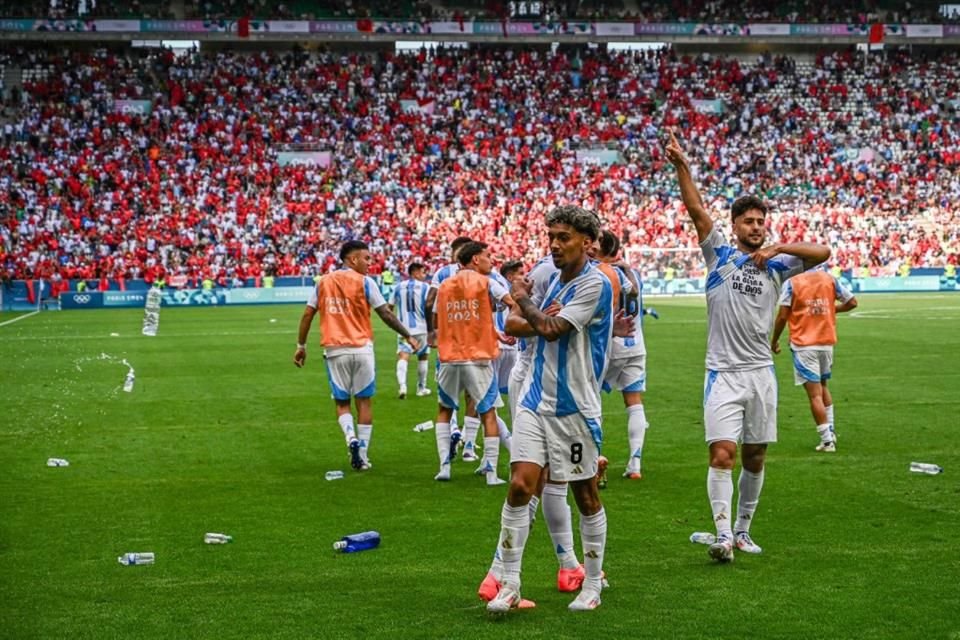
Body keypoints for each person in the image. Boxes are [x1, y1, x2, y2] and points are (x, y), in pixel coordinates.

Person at [665, 130, 830, 563]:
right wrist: (682, 165)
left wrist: (779, 245)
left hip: (761, 373)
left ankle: (742, 531)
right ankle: (721, 536)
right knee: (723, 453)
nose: (755, 228)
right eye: (749, 222)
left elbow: (823, 251)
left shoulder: (778, 263)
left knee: (755, 457)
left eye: (761, 222)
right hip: (722, 372)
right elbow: (696, 209)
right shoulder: (719, 253)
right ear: (735, 226)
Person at [485, 205, 614, 613]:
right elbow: (521, 326)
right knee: (521, 485)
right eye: (552, 237)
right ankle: (509, 583)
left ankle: (591, 584)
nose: (555, 245)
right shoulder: (554, 282)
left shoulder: (596, 285)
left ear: (588, 243)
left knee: (585, 494)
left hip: (576, 407)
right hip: (535, 400)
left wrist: (526, 302)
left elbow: (552, 329)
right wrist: (536, 314)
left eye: (564, 238)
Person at [294, 240, 420, 471]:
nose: (370, 264)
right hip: (362, 349)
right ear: (352, 259)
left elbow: (307, 314)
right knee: (364, 401)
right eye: (366, 258)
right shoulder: (365, 282)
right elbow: (385, 314)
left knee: (342, 402)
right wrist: (408, 335)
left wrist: (301, 345)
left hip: (334, 350)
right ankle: (362, 455)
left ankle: (350, 436)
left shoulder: (323, 282)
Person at [431, 241, 513, 485]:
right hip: (477, 357)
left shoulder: (445, 285)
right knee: (487, 411)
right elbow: (510, 302)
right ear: (475, 259)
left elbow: (437, 315)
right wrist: (509, 328)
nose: (491, 260)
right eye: (487, 256)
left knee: (445, 410)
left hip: (449, 356)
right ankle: (491, 473)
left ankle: (444, 467)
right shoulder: (487, 282)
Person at [770, 268, 858, 452]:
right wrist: (831, 310)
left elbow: (783, 315)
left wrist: (774, 339)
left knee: (814, 394)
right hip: (826, 342)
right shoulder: (829, 279)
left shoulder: (793, 281)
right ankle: (831, 431)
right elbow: (852, 302)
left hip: (804, 344)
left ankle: (827, 440)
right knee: (823, 387)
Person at [595, 230, 650, 480]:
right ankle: (635, 463)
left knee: (590, 398)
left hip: (608, 343)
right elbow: (635, 295)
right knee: (634, 401)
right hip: (635, 344)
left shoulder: (600, 272)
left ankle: (592, 457)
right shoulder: (631, 273)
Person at [391, 262, 432, 399]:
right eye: (422, 272)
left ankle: (402, 386)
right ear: (414, 272)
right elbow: (430, 306)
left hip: (404, 329)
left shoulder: (398, 287)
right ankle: (421, 388)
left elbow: (389, 307)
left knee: (403, 356)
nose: (424, 275)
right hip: (422, 328)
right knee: (423, 357)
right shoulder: (426, 287)